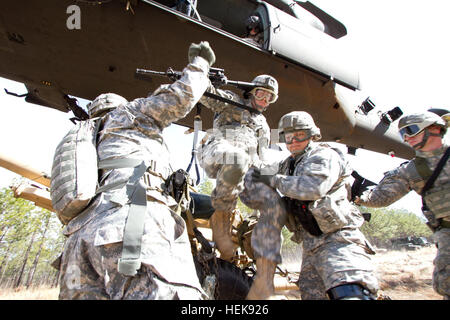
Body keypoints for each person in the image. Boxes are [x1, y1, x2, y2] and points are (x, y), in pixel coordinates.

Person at [57, 41, 216, 299]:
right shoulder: (128, 115)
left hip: (79, 245)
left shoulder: (86, 138)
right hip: (131, 227)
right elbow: (181, 96)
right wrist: (201, 64)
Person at [242, 111, 379, 300]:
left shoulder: (323, 155)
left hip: (337, 240)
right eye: (288, 137)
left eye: (300, 135)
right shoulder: (287, 164)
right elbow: (259, 173)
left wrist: (272, 180)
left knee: (350, 294)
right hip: (310, 247)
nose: (293, 142)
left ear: (312, 134)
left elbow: (312, 188)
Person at [356, 111, 449, 299]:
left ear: (434, 129)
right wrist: (357, 194)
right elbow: (379, 198)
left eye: (411, 130)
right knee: (445, 284)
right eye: (402, 134)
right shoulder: (411, 170)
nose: (407, 138)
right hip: (447, 233)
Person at [197, 74, 278, 262]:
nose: (264, 100)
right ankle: (221, 218)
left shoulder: (263, 125)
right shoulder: (232, 101)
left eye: (269, 97)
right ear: (251, 93)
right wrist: (205, 78)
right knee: (238, 159)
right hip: (220, 150)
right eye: (261, 94)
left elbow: (262, 155)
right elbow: (206, 94)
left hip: (249, 162)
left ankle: (253, 238)